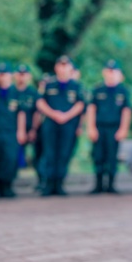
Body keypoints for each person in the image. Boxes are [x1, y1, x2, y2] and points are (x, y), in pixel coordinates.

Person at [36, 56, 85, 196]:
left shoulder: (76, 86)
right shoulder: (48, 84)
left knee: (64, 154)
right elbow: (40, 102)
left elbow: (81, 104)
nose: (63, 68)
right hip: (51, 124)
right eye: (60, 65)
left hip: (68, 125)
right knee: (50, 154)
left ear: (71, 68)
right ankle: (48, 184)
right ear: (56, 67)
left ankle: (59, 184)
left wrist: (66, 116)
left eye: (66, 65)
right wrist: (53, 114)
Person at [86, 60, 132, 194]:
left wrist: (123, 129)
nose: (111, 74)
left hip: (114, 128)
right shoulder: (97, 89)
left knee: (112, 156)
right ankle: (98, 184)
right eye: (109, 71)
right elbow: (91, 109)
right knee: (98, 155)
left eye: (114, 71)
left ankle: (111, 185)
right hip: (99, 127)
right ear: (104, 72)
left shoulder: (123, 90)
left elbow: (126, 111)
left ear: (119, 74)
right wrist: (91, 128)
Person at [0, 63, 26, 198]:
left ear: (11, 76)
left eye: (5, 74)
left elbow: (21, 113)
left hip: (10, 131)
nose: (2, 77)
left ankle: (7, 186)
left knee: (9, 159)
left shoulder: (16, 92)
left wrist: (21, 131)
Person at [14, 64, 39, 174]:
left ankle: (42, 181)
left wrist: (33, 129)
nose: (22, 77)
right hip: (11, 129)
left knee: (38, 154)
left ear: (29, 76)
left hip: (29, 128)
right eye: (20, 74)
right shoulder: (11, 91)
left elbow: (37, 113)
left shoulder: (33, 93)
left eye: (24, 74)